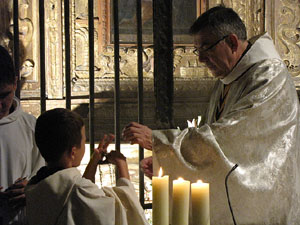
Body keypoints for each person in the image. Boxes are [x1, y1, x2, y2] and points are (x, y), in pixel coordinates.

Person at [122, 5, 300, 225]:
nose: (201, 59)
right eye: (198, 50)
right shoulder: (228, 79)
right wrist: (169, 159)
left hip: (262, 204)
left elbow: (232, 138)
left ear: (232, 42)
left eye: (207, 48)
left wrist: (160, 142)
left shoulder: (269, 77)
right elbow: (211, 140)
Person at [25, 108, 149, 225]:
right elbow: (124, 207)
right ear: (73, 152)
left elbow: (80, 204)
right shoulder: (78, 190)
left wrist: (94, 161)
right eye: (84, 141)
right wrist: (121, 163)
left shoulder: (37, 185)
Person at [0, 45, 45, 225]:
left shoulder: (31, 126)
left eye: (4, 95)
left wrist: (31, 188)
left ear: (15, 83)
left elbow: (46, 176)